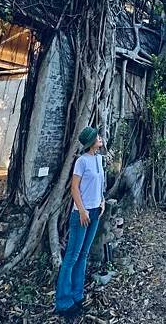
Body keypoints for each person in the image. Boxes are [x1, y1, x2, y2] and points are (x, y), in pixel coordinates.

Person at [55, 127, 105, 317]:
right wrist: (82, 210)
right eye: (97, 137)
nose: (100, 138)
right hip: (81, 214)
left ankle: (77, 295)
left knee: (83, 254)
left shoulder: (100, 159)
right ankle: (63, 302)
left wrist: (102, 202)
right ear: (90, 142)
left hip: (95, 212)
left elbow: (100, 185)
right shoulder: (81, 161)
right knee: (71, 257)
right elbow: (74, 188)